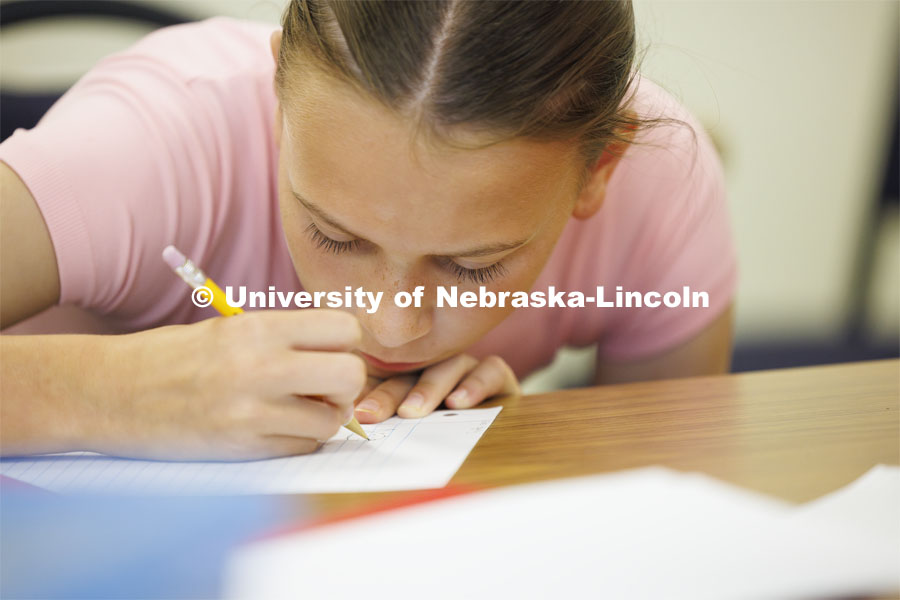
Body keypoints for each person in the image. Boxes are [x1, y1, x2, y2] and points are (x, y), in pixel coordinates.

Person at [0, 1, 736, 460]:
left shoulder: (659, 179)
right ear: (279, 96)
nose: (389, 328)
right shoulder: (153, 140)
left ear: (599, 167)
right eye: (335, 236)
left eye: (470, 267)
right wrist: (112, 392)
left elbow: (665, 493)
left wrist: (510, 446)